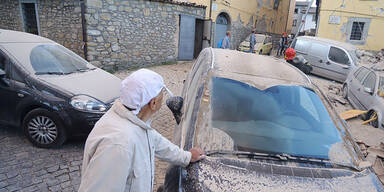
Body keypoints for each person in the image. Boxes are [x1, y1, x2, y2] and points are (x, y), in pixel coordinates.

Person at [78, 69, 205, 192]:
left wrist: (187, 157)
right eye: (162, 94)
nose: (163, 98)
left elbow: (157, 141)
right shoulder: (118, 145)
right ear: (153, 103)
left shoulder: (133, 119)